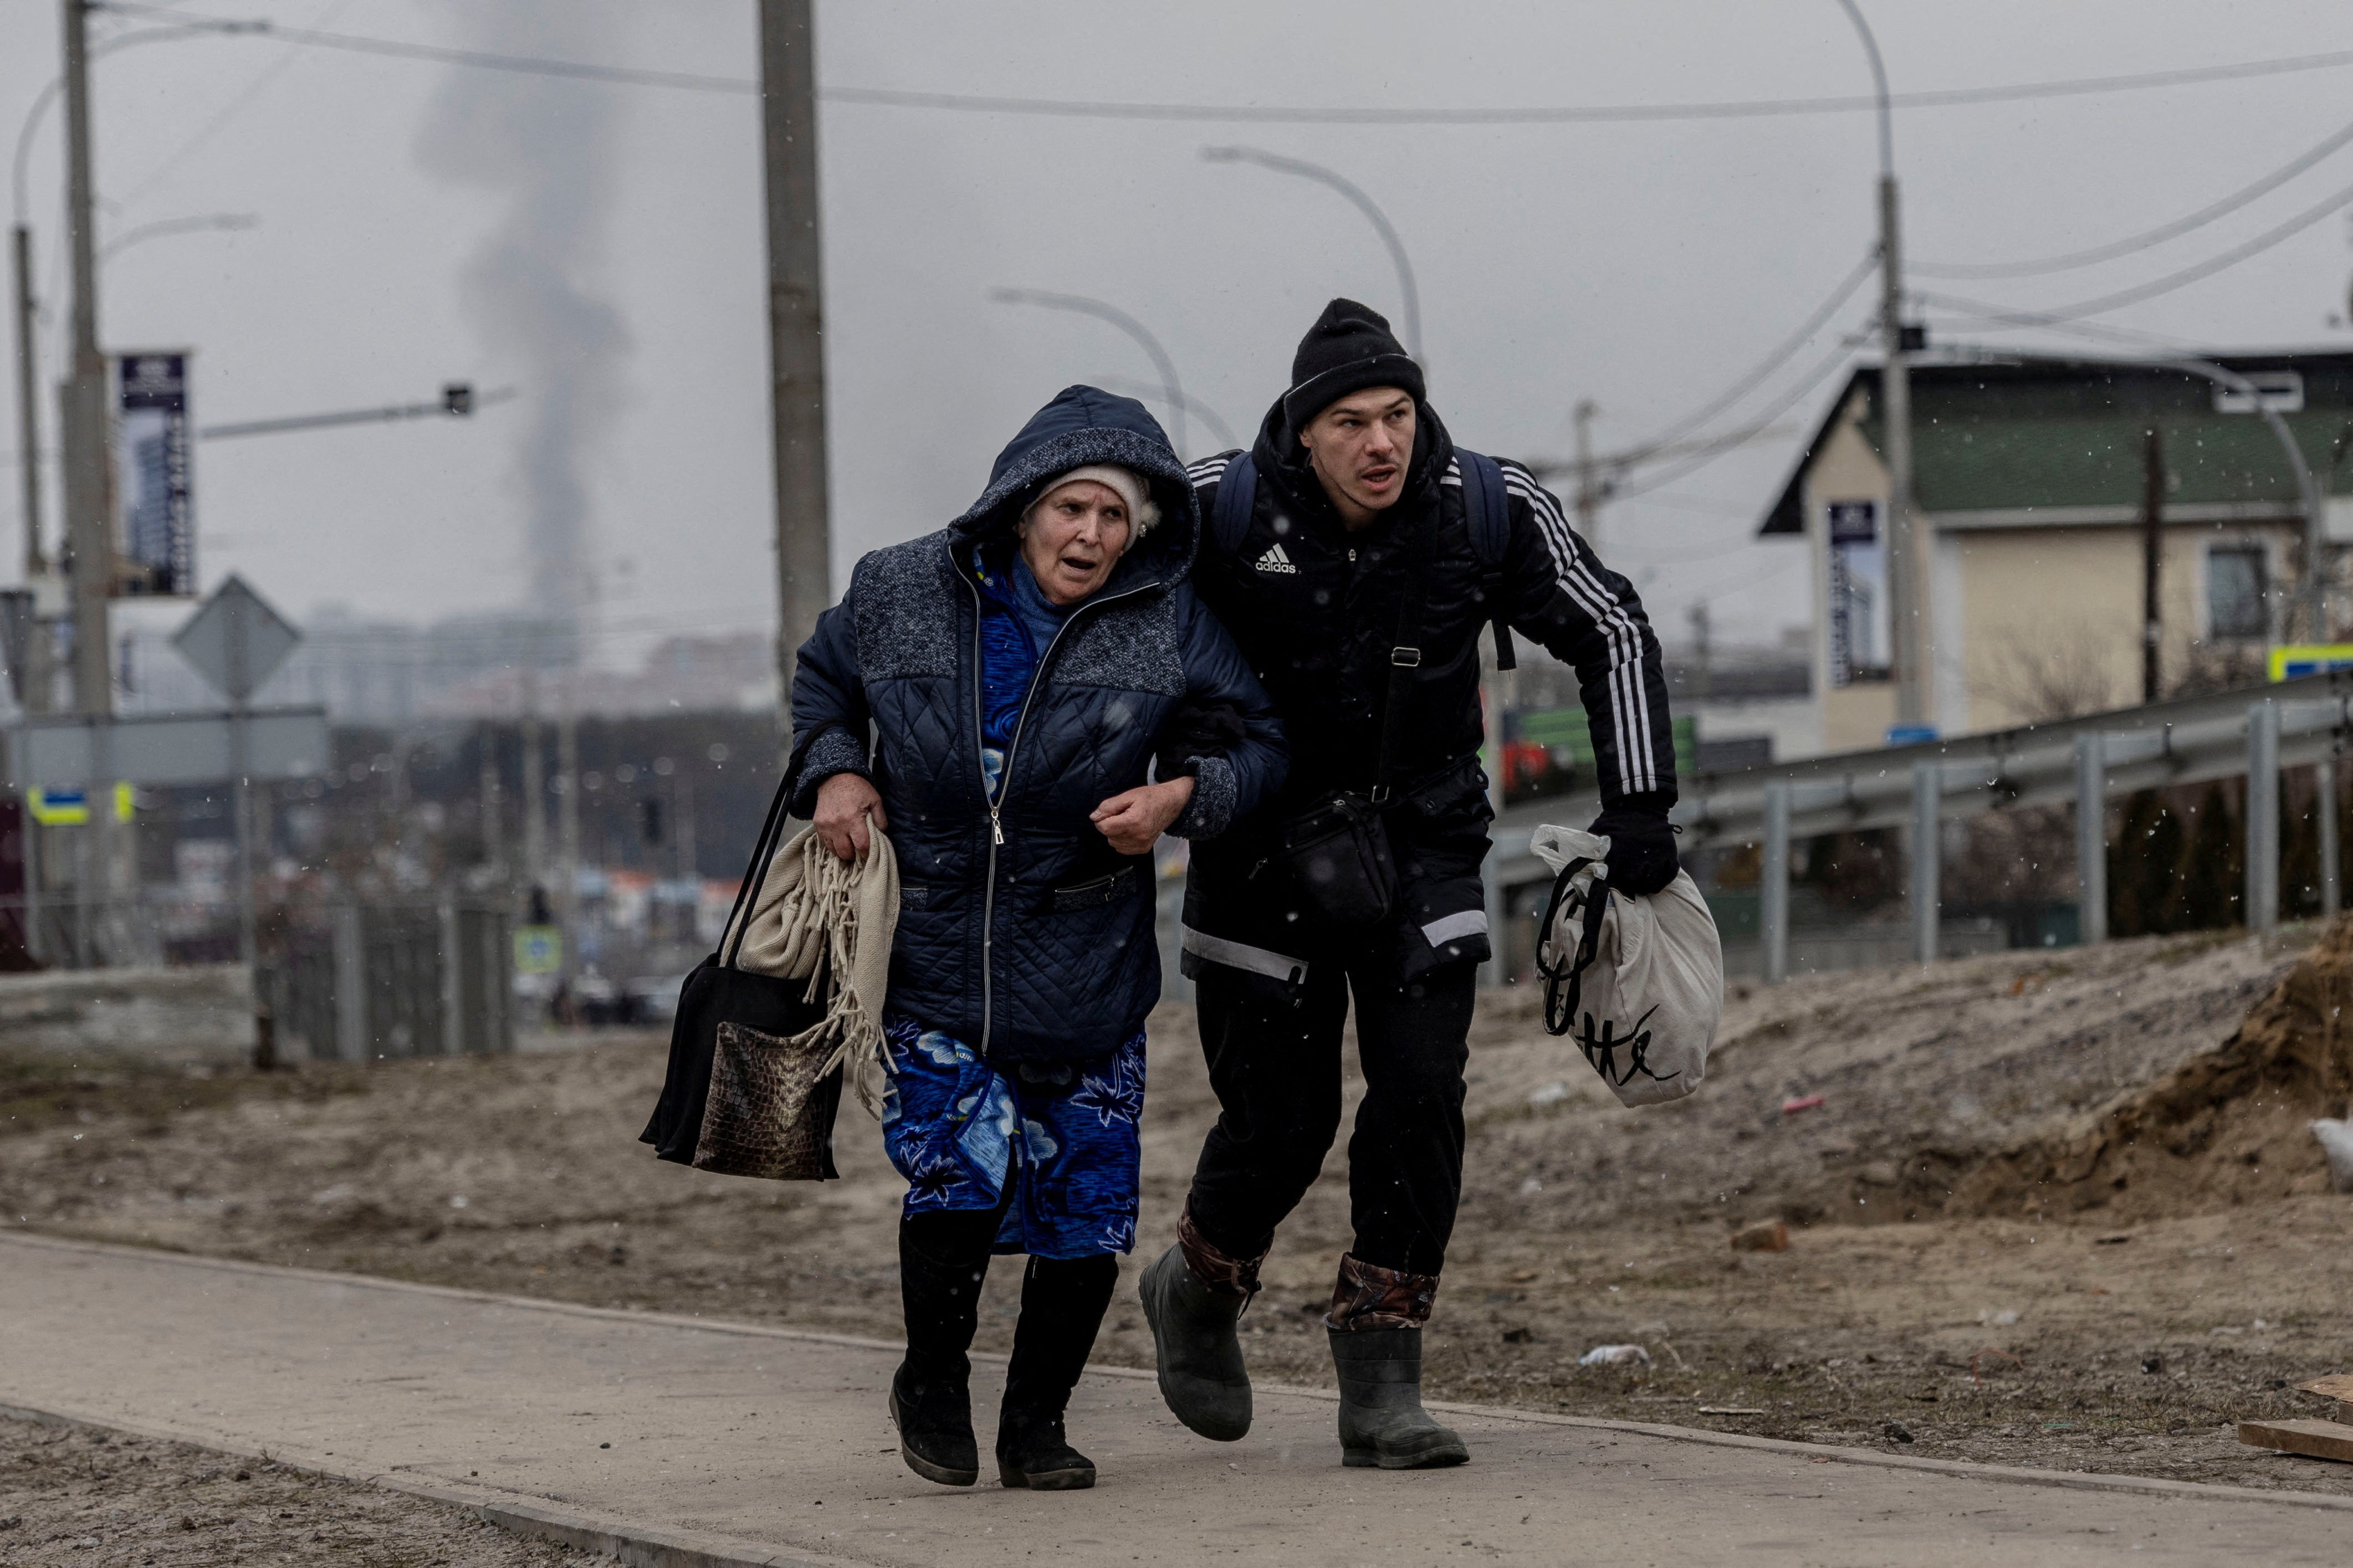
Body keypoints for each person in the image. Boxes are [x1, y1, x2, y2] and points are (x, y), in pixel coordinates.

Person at [1139, 300, 1679, 1470]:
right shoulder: (1214, 506)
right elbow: (1080, 593)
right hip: (1258, 840)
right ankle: (1196, 1283)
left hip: (1423, 839)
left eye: (1396, 414)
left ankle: (1380, 1368)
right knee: (1282, 1121)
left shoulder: (1486, 506)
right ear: (1302, 430)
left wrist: (1637, 804)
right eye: (1350, 421)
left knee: (1421, 1095)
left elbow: (1612, 630)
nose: (1380, 442)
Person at [786, 385, 1285, 1492]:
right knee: (959, 1175)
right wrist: (836, 767)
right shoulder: (901, 587)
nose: (1091, 536)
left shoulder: (1168, 621)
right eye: (1071, 508)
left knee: (1083, 1206)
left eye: (1114, 517)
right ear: (1021, 507)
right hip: (933, 955)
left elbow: (1260, 744)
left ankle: (1036, 1424)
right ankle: (929, 1377)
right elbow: (823, 680)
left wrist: (1179, 798)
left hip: (1087, 962)